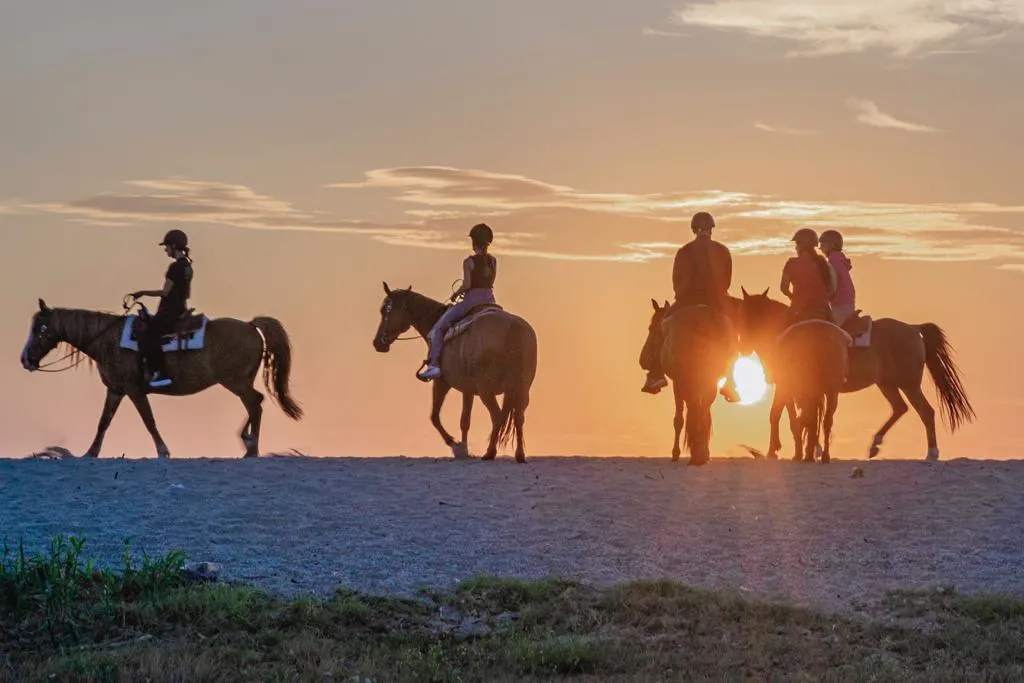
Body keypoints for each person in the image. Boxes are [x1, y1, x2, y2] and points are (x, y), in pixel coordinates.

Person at [641, 211, 741, 402]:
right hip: (715, 303)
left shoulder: (684, 251)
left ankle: (655, 375)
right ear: (712, 229)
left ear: (694, 229)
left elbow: (676, 281)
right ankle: (730, 380)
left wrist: (684, 292)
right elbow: (727, 280)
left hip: (685, 301)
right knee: (733, 332)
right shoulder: (722, 250)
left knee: (660, 328)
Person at [417, 223, 498, 382]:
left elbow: (467, 285)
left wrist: (456, 294)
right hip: (490, 300)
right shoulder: (493, 261)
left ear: (474, 242)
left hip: (471, 301)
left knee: (438, 328)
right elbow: (490, 282)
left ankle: (434, 365)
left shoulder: (468, 262)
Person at [130, 229, 194, 388]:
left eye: (167, 247)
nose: (166, 250)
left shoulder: (175, 267)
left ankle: (160, 372)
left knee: (148, 336)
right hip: (180, 309)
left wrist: (142, 292)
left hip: (170, 311)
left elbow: (165, 292)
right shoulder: (188, 267)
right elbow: (186, 294)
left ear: (173, 246)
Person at [780, 228, 836, 325]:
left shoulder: (791, 263)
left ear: (801, 245)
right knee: (840, 333)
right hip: (823, 309)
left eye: (796, 244)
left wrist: (792, 297)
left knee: (779, 333)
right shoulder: (822, 263)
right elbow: (831, 289)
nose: (796, 248)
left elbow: (783, 288)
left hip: (799, 308)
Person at [819, 229, 856, 326]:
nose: (820, 247)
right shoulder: (839, 259)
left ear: (832, 245)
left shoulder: (833, 261)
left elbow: (832, 284)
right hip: (845, 302)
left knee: (832, 332)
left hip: (840, 304)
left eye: (823, 244)